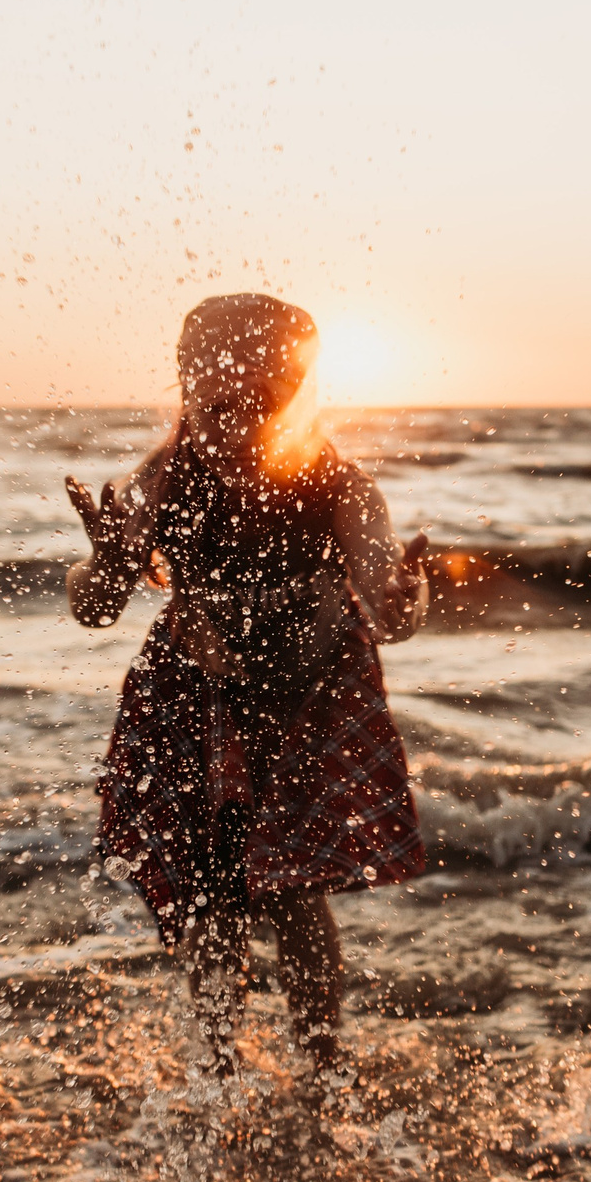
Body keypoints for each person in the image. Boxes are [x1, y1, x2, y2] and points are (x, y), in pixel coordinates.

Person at [65, 293, 431, 1076]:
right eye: (216, 404)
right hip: (194, 694)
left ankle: (322, 1063)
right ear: (187, 388)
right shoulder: (160, 482)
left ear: (294, 396)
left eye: (260, 404)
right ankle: (218, 1064)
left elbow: (389, 605)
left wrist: (405, 596)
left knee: (296, 888)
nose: (235, 425)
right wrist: (103, 564)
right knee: (208, 891)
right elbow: (96, 610)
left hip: (309, 701)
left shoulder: (341, 486)